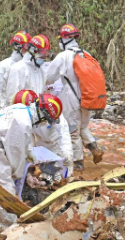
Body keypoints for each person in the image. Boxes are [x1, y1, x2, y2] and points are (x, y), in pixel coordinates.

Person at [0, 94, 63, 231]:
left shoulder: (21, 109)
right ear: (43, 116)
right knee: (2, 189)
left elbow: (23, 142)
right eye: (46, 120)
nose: (44, 124)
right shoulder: (23, 124)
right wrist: (19, 176)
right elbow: (15, 157)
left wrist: (30, 156)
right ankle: (9, 228)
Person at [45, 24, 103, 169]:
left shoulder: (63, 56)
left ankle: (78, 164)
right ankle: (94, 148)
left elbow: (49, 77)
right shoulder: (86, 54)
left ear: (64, 39)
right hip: (87, 97)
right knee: (83, 127)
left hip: (71, 98)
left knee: (73, 131)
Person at [13, 90, 73, 176]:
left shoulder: (51, 109)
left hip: (57, 145)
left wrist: (67, 155)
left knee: (63, 174)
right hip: (40, 145)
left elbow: (64, 135)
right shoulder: (25, 117)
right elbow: (26, 136)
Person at [0, 30, 32, 112]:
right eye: (26, 47)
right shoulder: (4, 66)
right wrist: (4, 110)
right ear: (18, 47)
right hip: (4, 110)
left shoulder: (27, 66)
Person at [6, 35, 51, 105]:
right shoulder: (18, 69)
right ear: (34, 51)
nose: (45, 57)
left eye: (46, 53)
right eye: (43, 53)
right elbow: (12, 98)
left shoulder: (41, 71)